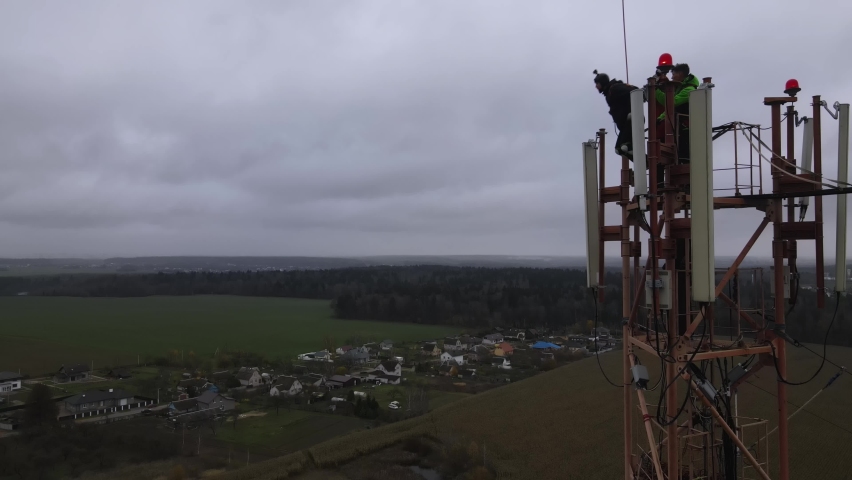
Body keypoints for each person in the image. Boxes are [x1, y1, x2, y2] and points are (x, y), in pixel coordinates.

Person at [654, 63, 699, 161]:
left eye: (673, 74)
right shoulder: (681, 89)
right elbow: (669, 109)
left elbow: (670, 103)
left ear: (680, 74)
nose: (672, 77)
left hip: (683, 131)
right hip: (678, 128)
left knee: (682, 159)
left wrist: (655, 90)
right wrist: (660, 118)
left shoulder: (689, 90)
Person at [594, 70, 639, 159]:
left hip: (629, 122)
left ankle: (644, 160)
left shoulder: (615, 88)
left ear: (602, 83)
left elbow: (635, 90)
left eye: (597, 84)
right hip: (624, 125)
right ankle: (645, 162)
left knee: (625, 146)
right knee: (619, 149)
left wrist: (631, 112)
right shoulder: (609, 92)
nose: (596, 86)